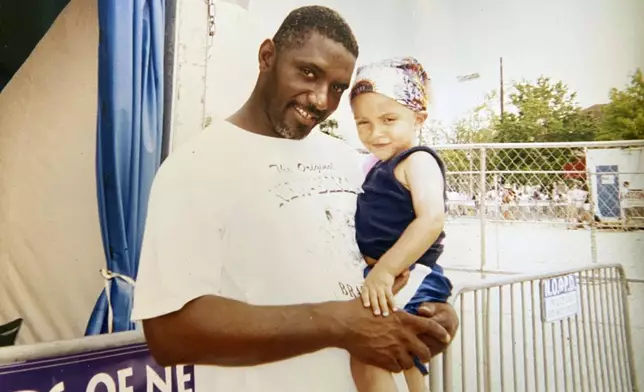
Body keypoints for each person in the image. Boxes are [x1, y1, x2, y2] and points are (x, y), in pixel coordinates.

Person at [132, 6, 458, 392]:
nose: (321, 99)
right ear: (267, 56)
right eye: (308, 73)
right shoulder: (195, 167)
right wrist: (341, 325)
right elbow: (170, 333)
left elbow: (370, 261)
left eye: (338, 87)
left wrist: (430, 315)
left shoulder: (346, 159)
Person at [348, 58, 452, 392]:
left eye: (388, 119)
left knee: (370, 354)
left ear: (418, 118)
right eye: (363, 122)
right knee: (404, 363)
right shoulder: (376, 165)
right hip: (389, 275)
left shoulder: (418, 160)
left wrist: (386, 270)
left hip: (410, 273)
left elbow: (432, 219)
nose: (375, 132)